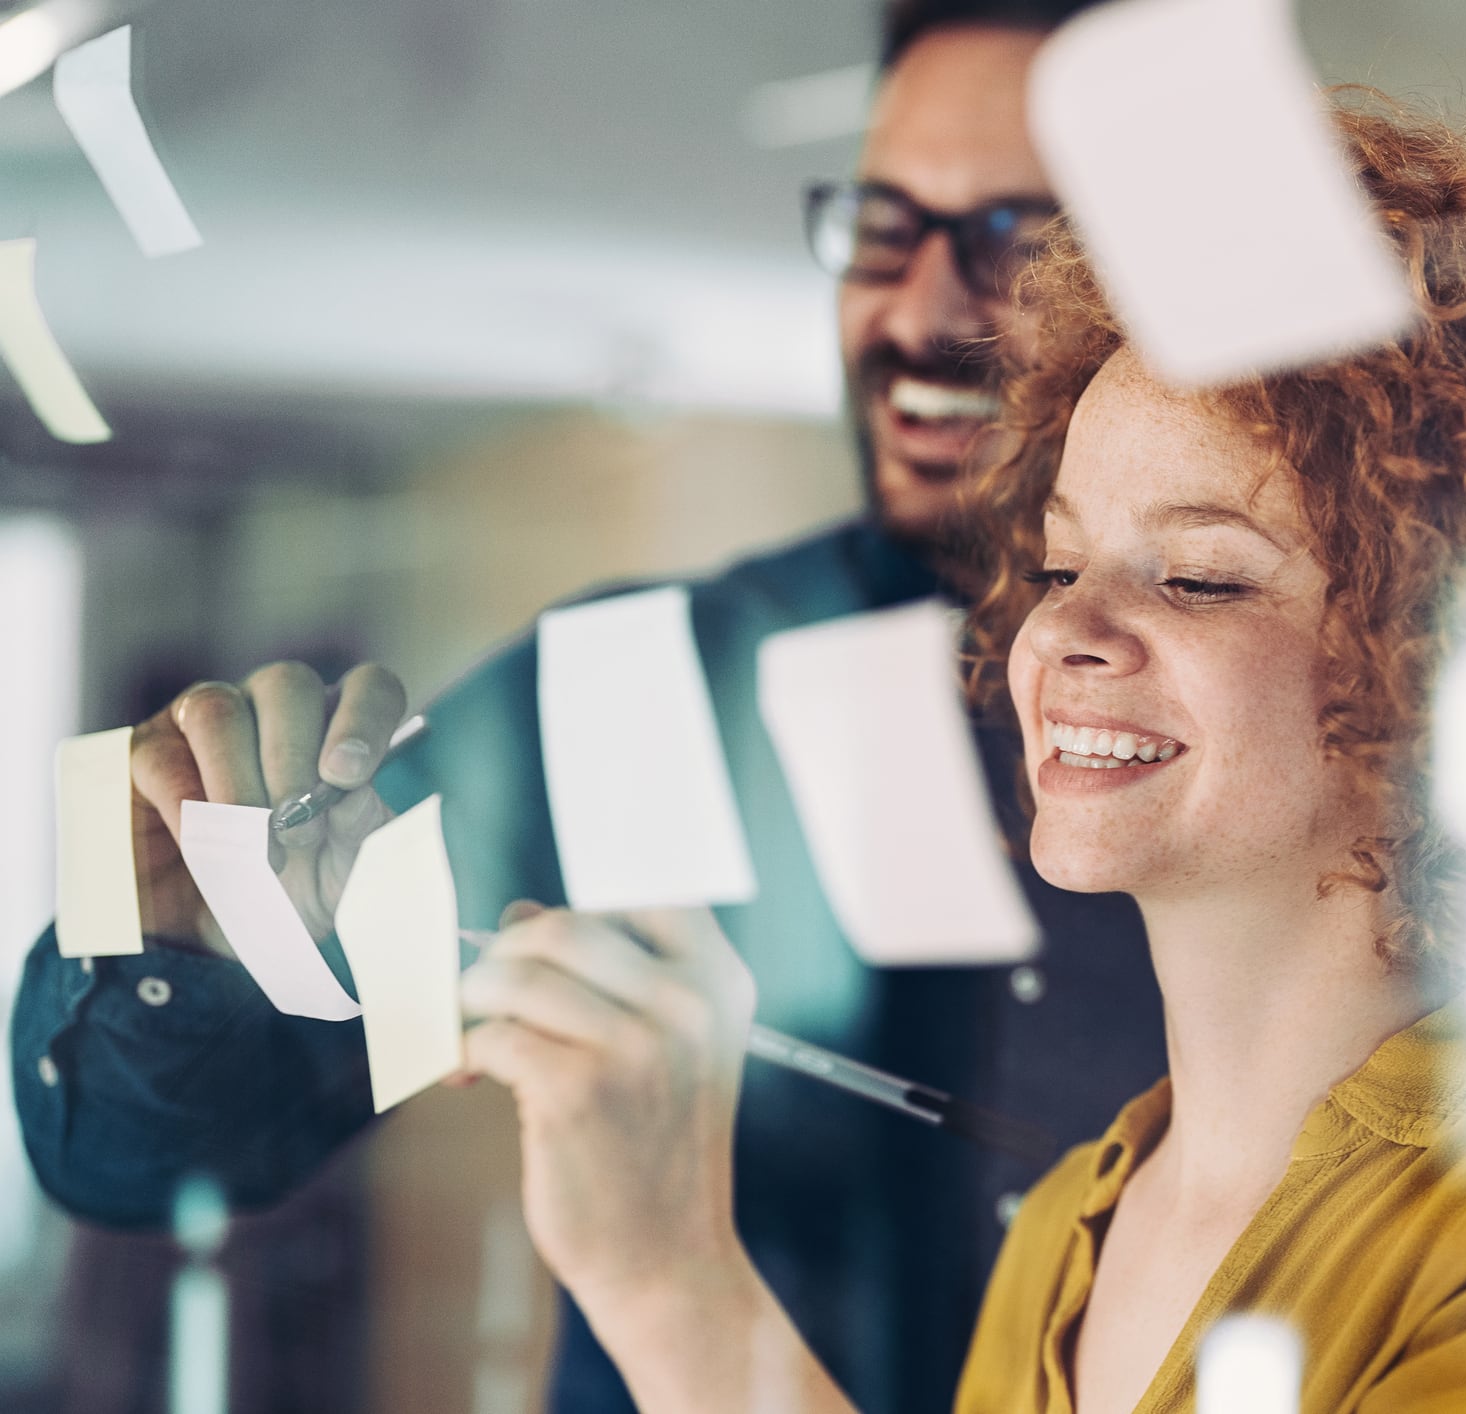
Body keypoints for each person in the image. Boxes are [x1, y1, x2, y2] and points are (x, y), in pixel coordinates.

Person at [450, 99, 1466, 1411]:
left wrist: (675, 1287)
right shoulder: (1069, 1229)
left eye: (1199, 577)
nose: (1063, 631)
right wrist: (652, 1266)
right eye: (1061, 562)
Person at [10, 5, 1167, 1413]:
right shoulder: (643, 686)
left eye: (1017, 237)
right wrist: (173, 953)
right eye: (884, 226)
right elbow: (143, 1157)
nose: (923, 315)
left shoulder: (1331, 724)